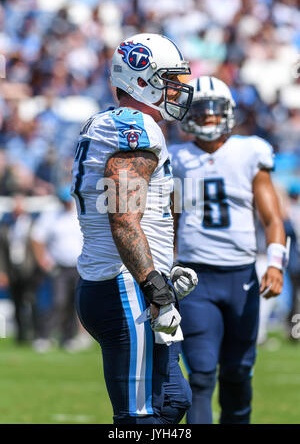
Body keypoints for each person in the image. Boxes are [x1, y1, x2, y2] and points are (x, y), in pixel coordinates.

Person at [71, 33, 198, 424]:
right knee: (139, 418)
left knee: (173, 400)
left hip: (127, 279)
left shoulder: (117, 123)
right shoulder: (137, 126)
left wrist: (160, 267)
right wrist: (151, 282)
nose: (179, 89)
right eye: (170, 78)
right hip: (124, 285)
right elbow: (122, 215)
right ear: (143, 79)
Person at [169, 76, 287, 424]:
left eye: (213, 109)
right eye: (200, 110)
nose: (207, 117)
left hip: (240, 276)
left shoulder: (250, 150)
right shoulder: (174, 157)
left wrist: (276, 264)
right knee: (202, 376)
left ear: (228, 112)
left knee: (237, 372)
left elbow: (272, 218)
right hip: (193, 278)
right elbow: (170, 220)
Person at [31, 184, 83, 351]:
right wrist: (43, 260)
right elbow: (37, 237)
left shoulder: (80, 215)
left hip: (78, 267)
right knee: (57, 301)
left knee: (73, 303)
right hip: (58, 267)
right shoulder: (51, 216)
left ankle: (69, 337)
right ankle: (44, 336)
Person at [0, 193, 42, 343]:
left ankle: (37, 333)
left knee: (31, 301)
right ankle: (21, 336)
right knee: (16, 303)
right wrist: (3, 271)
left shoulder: (32, 224)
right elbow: (3, 251)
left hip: (29, 270)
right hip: (13, 270)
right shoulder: (6, 226)